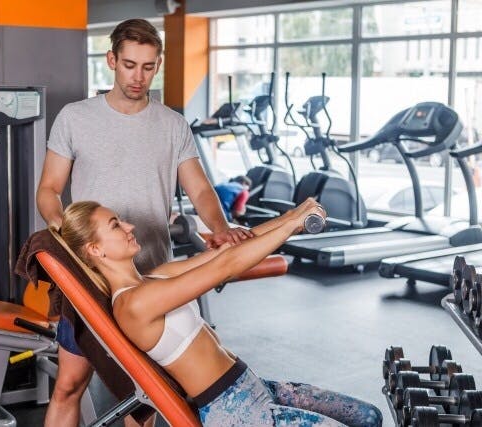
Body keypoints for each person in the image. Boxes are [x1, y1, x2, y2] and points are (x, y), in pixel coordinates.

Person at [36, 18, 253, 427]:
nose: (138, 77)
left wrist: (221, 228)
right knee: (68, 385)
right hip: (91, 279)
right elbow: (48, 188)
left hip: (154, 279)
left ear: (158, 65)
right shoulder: (75, 118)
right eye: (130, 65)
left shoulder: (172, 124)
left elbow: (200, 189)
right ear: (111, 60)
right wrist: (63, 231)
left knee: (146, 399)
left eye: (148, 67)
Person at [59, 197, 383, 427]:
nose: (129, 226)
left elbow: (228, 251)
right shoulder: (133, 304)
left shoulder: (155, 278)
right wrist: (292, 226)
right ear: (95, 249)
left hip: (254, 386)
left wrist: (293, 216)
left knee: (369, 417)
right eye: (116, 225)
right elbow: (226, 266)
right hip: (233, 411)